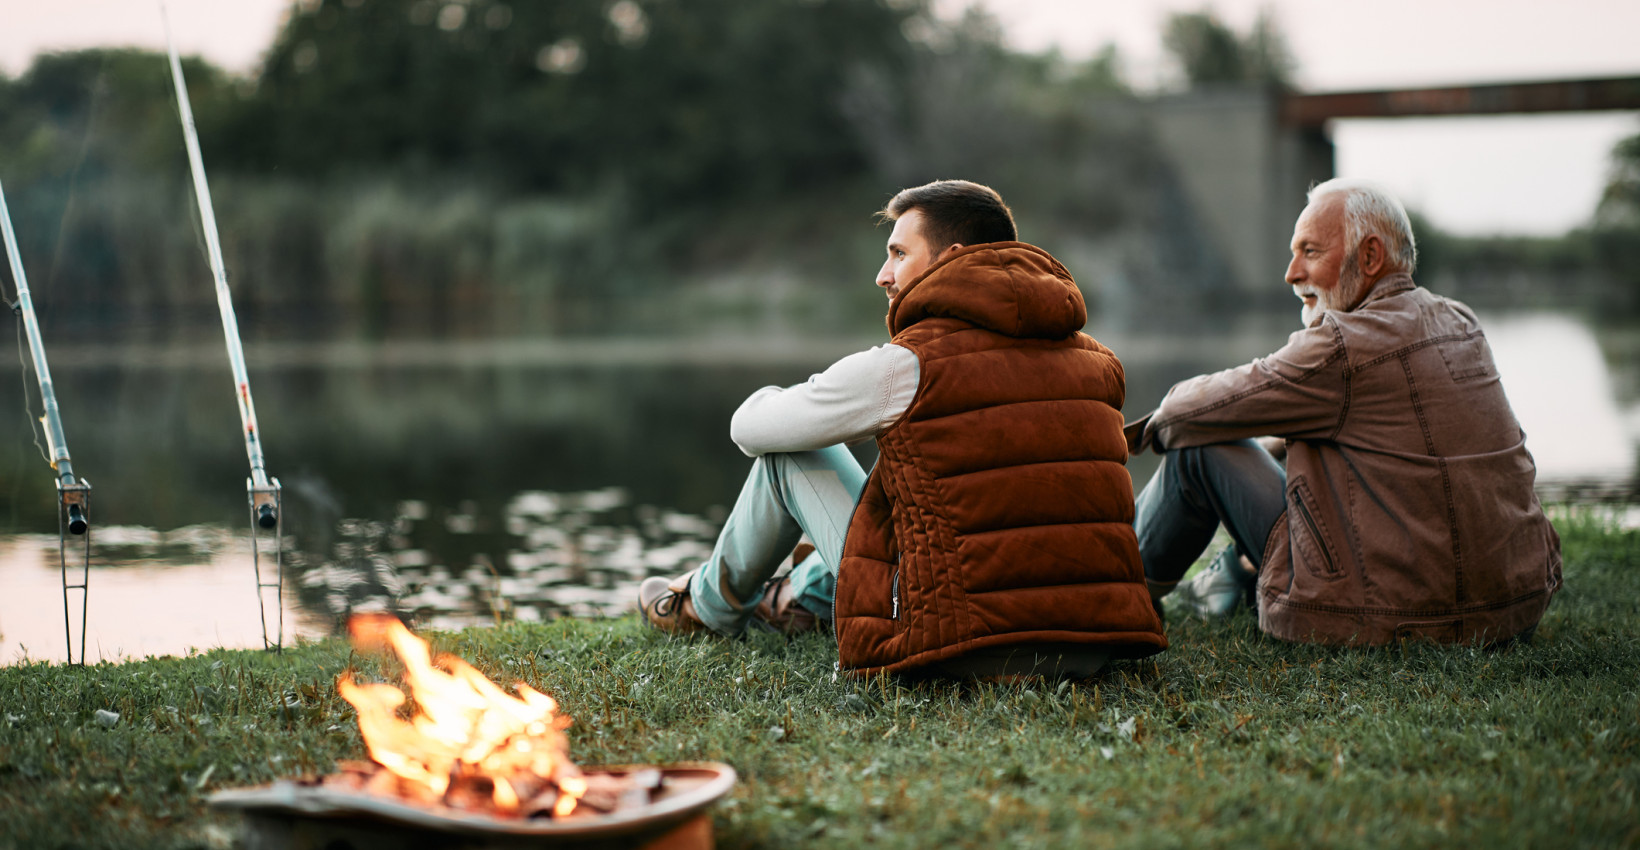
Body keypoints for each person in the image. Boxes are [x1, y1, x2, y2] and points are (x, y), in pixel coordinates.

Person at [640, 179, 1166, 677]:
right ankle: (801, 595)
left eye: (899, 253)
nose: (882, 275)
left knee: (790, 454)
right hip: (1096, 642)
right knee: (908, 487)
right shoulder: (1100, 363)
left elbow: (750, 430)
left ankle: (706, 610)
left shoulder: (905, 366)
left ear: (954, 258)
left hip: (957, 645)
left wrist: (799, 403)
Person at [1127, 177, 1561, 645]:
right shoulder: (1460, 321)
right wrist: (1268, 438)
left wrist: (1123, 436)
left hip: (1384, 615)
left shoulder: (1340, 345)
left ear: (1370, 257)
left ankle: (1117, 592)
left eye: (1310, 252)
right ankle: (1230, 576)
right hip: (1511, 608)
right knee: (1286, 447)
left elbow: (1184, 415)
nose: (1291, 273)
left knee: (1199, 447)